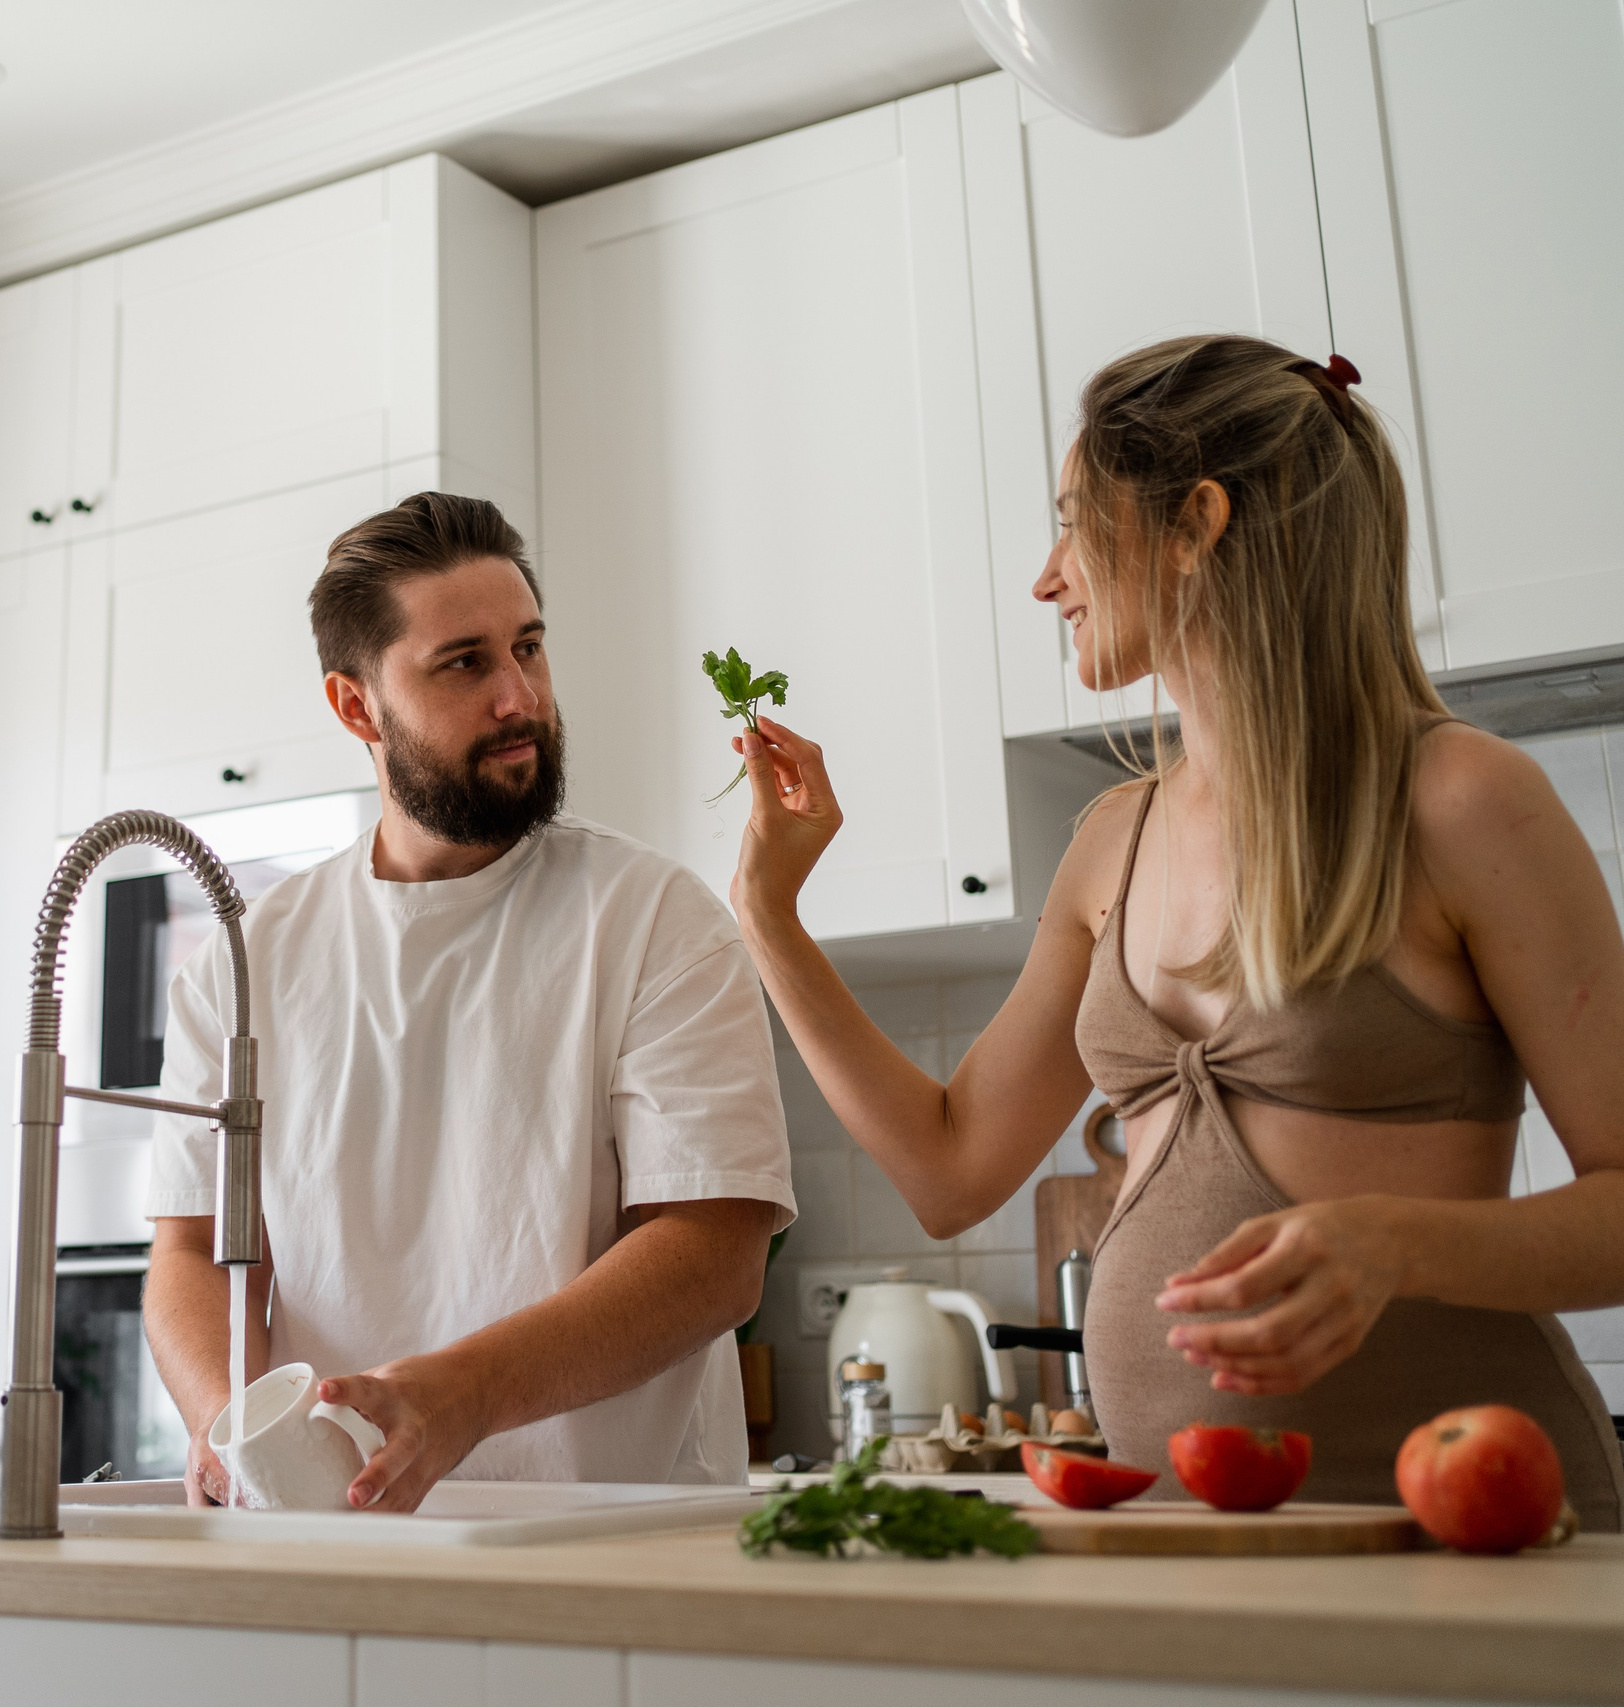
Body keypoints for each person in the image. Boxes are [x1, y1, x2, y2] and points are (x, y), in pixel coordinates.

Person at [724, 334, 1624, 1522]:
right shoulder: (1113, 837)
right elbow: (948, 1171)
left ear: (1195, 524)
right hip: (1188, 1530)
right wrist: (769, 915)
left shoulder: (1460, 798)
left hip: (1476, 1530)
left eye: (1072, 523)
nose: (1046, 580)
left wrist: (1399, 1245)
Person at [142, 492, 794, 1512]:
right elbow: (193, 1249)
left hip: (610, 1538)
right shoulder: (239, 965)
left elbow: (714, 1254)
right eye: (465, 663)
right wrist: (229, 1426)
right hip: (334, 1534)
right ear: (356, 707)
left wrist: (470, 1392)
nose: (519, 697)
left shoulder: (656, 917)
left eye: (527, 649)